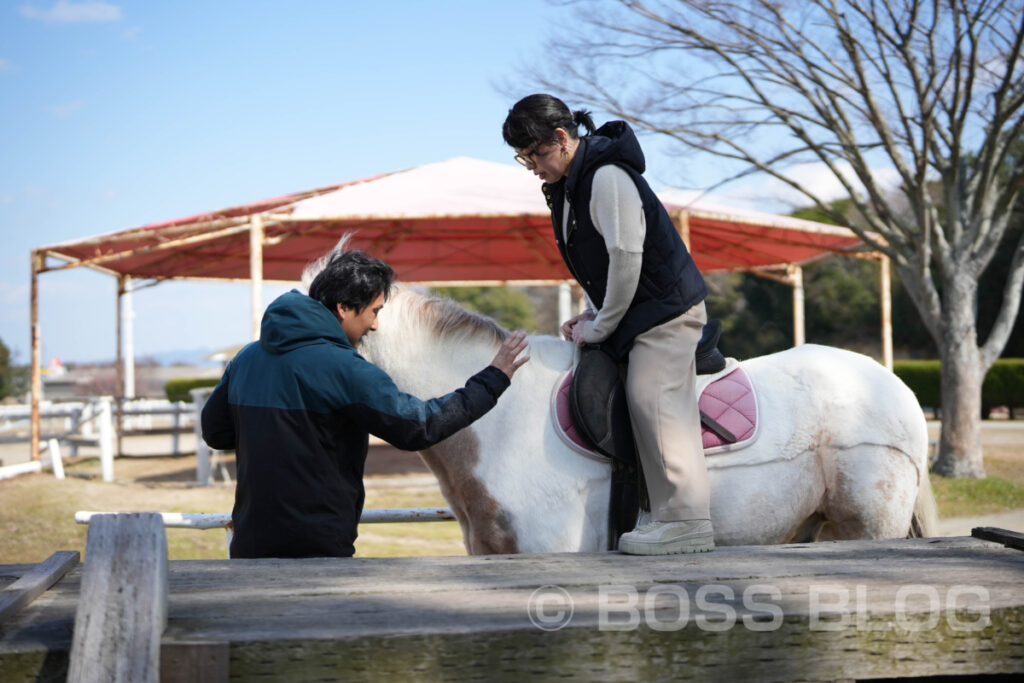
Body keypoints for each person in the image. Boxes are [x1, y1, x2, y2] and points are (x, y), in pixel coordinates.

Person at [201, 246, 529, 559]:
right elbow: (419, 426)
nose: (374, 324)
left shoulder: (246, 357)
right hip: (318, 547)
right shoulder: (346, 367)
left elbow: (215, 432)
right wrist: (494, 378)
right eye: (374, 311)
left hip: (248, 542)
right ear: (343, 308)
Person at [503, 93, 713, 555]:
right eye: (523, 158)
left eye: (535, 153)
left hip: (666, 313)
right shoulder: (568, 186)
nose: (533, 165)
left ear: (561, 139)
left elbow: (626, 257)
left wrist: (602, 326)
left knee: (648, 395)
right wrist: (594, 313)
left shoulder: (607, 175)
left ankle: (686, 520)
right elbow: (600, 271)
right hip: (637, 312)